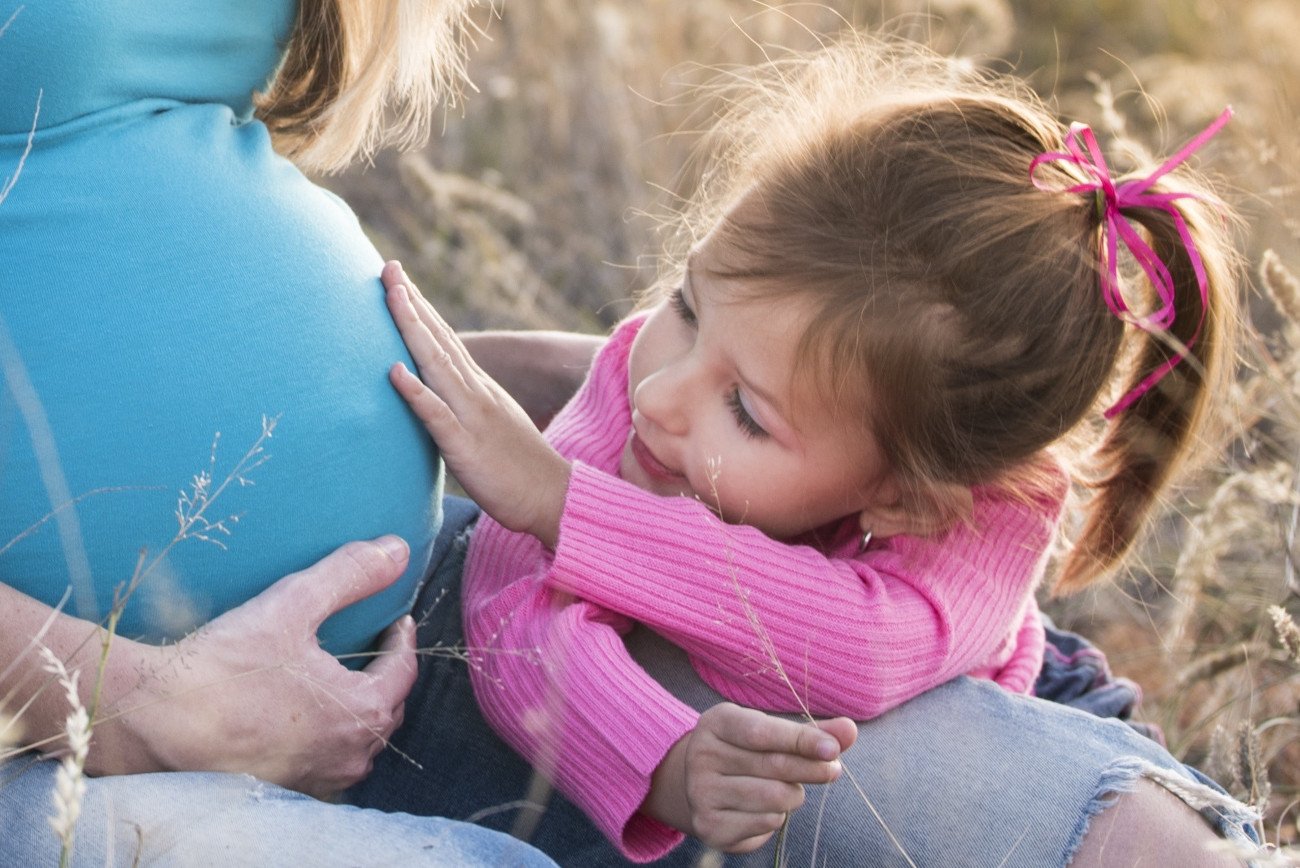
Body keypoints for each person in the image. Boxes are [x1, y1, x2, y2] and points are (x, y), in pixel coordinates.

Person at [369, 31, 1263, 866]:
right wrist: (660, 753)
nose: (658, 395)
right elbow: (506, 606)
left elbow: (860, 653)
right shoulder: (646, 389)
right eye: (686, 307)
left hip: (1007, 705)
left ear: (908, 498)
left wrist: (566, 506)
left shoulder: (988, 509)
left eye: (748, 413)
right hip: (766, 742)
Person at [0, 1, 842, 863]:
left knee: (916, 789)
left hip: (413, 640)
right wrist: (137, 708)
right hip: (55, 742)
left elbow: (118, 201)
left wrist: (502, 396)